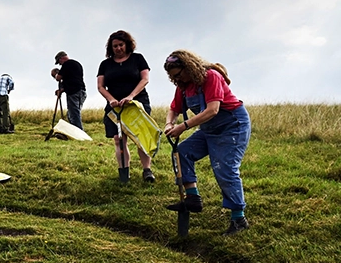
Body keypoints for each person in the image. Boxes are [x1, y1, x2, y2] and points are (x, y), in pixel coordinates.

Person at [162, 50, 252, 235]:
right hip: (208, 130)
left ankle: (239, 218)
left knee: (224, 169)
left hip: (232, 126)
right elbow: (174, 108)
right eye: (173, 78)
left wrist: (183, 126)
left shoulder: (211, 77)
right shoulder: (183, 86)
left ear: (189, 66)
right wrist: (169, 123)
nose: (177, 80)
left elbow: (213, 110)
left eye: (178, 75)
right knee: (182, 152)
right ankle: (192, 198)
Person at [97, 30, 154, 183]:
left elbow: (145, 79)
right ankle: (124, 173)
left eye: (121, 45)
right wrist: (111, 100)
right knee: (118, 138)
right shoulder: (105, 64)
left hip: (137, 102)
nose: (118, 48)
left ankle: (147, 170)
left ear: (127, 44)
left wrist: (131, 96)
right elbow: (101, 86)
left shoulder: (138, 59)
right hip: (115, 106)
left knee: (140, 136)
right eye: (115, 46)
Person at [51, 52, 86, 130]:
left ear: (61, 58)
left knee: (74, 114)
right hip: (81, 91)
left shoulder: (67, 64)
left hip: (73, 92)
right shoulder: (77, 64)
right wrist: (61, 90)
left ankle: (78, 131)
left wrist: (55, 74)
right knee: (72, 113)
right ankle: (74, 130)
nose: (60, 64)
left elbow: (58, 78)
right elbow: (71, 80)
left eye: (59, 62)